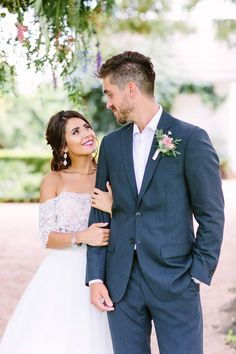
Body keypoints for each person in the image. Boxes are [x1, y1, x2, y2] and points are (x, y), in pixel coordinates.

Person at [86, 51, 225, 354]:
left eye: (110, 93)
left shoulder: (190, 139)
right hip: (120, 284)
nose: (108, 102)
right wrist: (96, 277)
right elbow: (99, 213)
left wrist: (196, 273)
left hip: (175, 281)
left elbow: (211, 215)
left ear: (131, 89)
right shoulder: (111, 144)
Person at [0, 110, 113, 354]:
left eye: (86, 126)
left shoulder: (109, 173)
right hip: (64, 274)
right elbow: (47, 237)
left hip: (106, 268)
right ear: (63, 146)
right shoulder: (53, 181)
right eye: (76, 131)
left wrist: (113, 208)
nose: (86, 134)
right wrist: (82, 236)